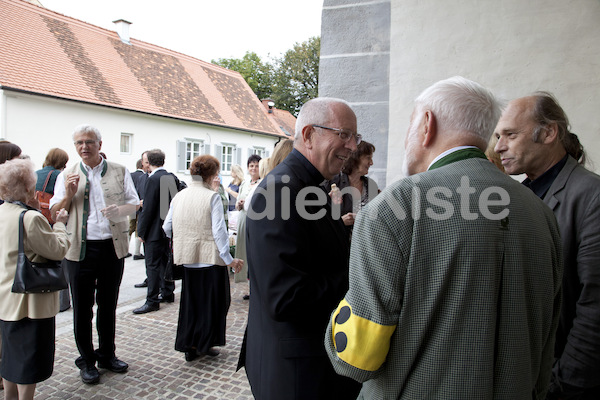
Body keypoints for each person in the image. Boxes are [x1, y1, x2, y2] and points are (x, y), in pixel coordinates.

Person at [325, 77, 563, 399]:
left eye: (410, 123)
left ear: (427, 124)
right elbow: (546, 347)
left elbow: (356, 359)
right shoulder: (541, 212)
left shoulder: (397, 205)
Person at [239, 97, 362, 399]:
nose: (352, 146)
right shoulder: (280, 191)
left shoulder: (308, 187)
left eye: (354, 137)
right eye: (343, 134)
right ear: (308, 134)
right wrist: (361, 276)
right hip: (296, 374)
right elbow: (286, 298)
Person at [494, 92, 600, 399]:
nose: (500, 146)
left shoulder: (590, 196)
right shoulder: (516, 197)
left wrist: (562, 385)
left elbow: (594, 306)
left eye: (511, 135)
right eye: (498, 136)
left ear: (549, 133)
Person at [50, 124, 139, 385]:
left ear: (100, 144)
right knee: (82, 308)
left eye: (89, 142)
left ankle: (107, 355)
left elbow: (134, 205)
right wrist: (67, 195)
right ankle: (87, 360)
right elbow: (56, 212)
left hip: (112, 248)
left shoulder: (120, 171)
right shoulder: (66, 175)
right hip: (80, 250)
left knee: (108, 304)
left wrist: (119, 210)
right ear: (75, 146)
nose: (84, 147)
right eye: (79, 143)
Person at [0, 158, 70, 400]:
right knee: (29, 360)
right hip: (30, 302)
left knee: (10, 356)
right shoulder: (30, 218)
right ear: (30, 188)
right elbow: (57, 249)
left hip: (5, 299)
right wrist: (60, 224)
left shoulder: (1, 212)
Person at [162, 155, 243, 361]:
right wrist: (229, 260)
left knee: (191, 304)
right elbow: (219, 232)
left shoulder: (179, 196)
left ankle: (190, 344)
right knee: (214, 303)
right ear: (212, 175)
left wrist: (185, 239)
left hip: (188, 259)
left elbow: (167, 227)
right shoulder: (211, 197)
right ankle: (204, 343)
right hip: (210, 259)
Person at [133, 149, 178, 314]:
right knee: (166, 261)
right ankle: (168, 292)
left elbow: (149, 209)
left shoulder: (153, 179)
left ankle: (152, 300)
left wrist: (141, 232)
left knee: (152, 266)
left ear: (149, 162)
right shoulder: (171, 177)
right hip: (168, 228)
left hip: (153, 230)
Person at [35, 148, 71, 313]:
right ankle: (63, 302)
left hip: (38, 220)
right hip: (55, 221)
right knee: (61, 262)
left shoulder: (36, 173)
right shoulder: (59, 176)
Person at [323, 140, 379, 231]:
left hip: (364, 242)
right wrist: (341, 222)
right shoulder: (332, 183)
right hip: (340, 242)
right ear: (355, 158)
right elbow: (320, 221)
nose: (371, 162)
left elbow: (377, 217)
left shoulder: (371, 185)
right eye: (368, 158)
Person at [233, 154, 261, 294]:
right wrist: (239, 204)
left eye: (256, 165)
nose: (254, 168)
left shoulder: (262, 183)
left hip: (255, 220)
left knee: (254, 253)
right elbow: (238, 201)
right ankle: (249, 287)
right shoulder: (244, 183)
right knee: (244, 252)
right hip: (243, 219)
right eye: (251, 166)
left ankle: (256, 287)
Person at [133, 151, 150, 288]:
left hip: (153, 225)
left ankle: (157, 291)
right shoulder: (143, 178)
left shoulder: (158, 178)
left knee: (154, 262)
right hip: (140, 214)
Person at [129, 158, 146, 261]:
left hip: (130, 205)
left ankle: (125, 250)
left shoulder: (130, 175)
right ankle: (136, 252)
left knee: (130, 227)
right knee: (137, 228)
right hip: (139, 205)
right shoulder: (143, 177)